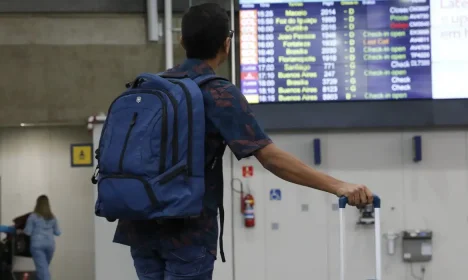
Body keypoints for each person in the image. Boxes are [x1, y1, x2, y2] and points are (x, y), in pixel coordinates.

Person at [113, 3, 374, 280]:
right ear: (227, 44)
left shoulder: (150, 87)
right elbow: (271, 158)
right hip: (187, 232)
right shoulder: (217, 92)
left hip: (139, 226)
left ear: (181, 40)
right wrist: (339, 186)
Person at [23, 195, 61, 280]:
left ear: (37, 204)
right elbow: (58, 232)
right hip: (50, 245)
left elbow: (28, 232)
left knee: (43, 271)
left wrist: (20, 230)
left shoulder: (33, 216)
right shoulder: (52, 217)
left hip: (37, 245)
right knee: (43, 269)